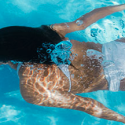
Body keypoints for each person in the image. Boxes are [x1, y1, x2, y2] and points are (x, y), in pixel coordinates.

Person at [1, 4, 125, 123]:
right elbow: (83, 21)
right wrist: (121, 6)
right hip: (118, 47)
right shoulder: (50, 33)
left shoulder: (32, 89)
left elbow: (89, 106)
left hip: (118, 77)